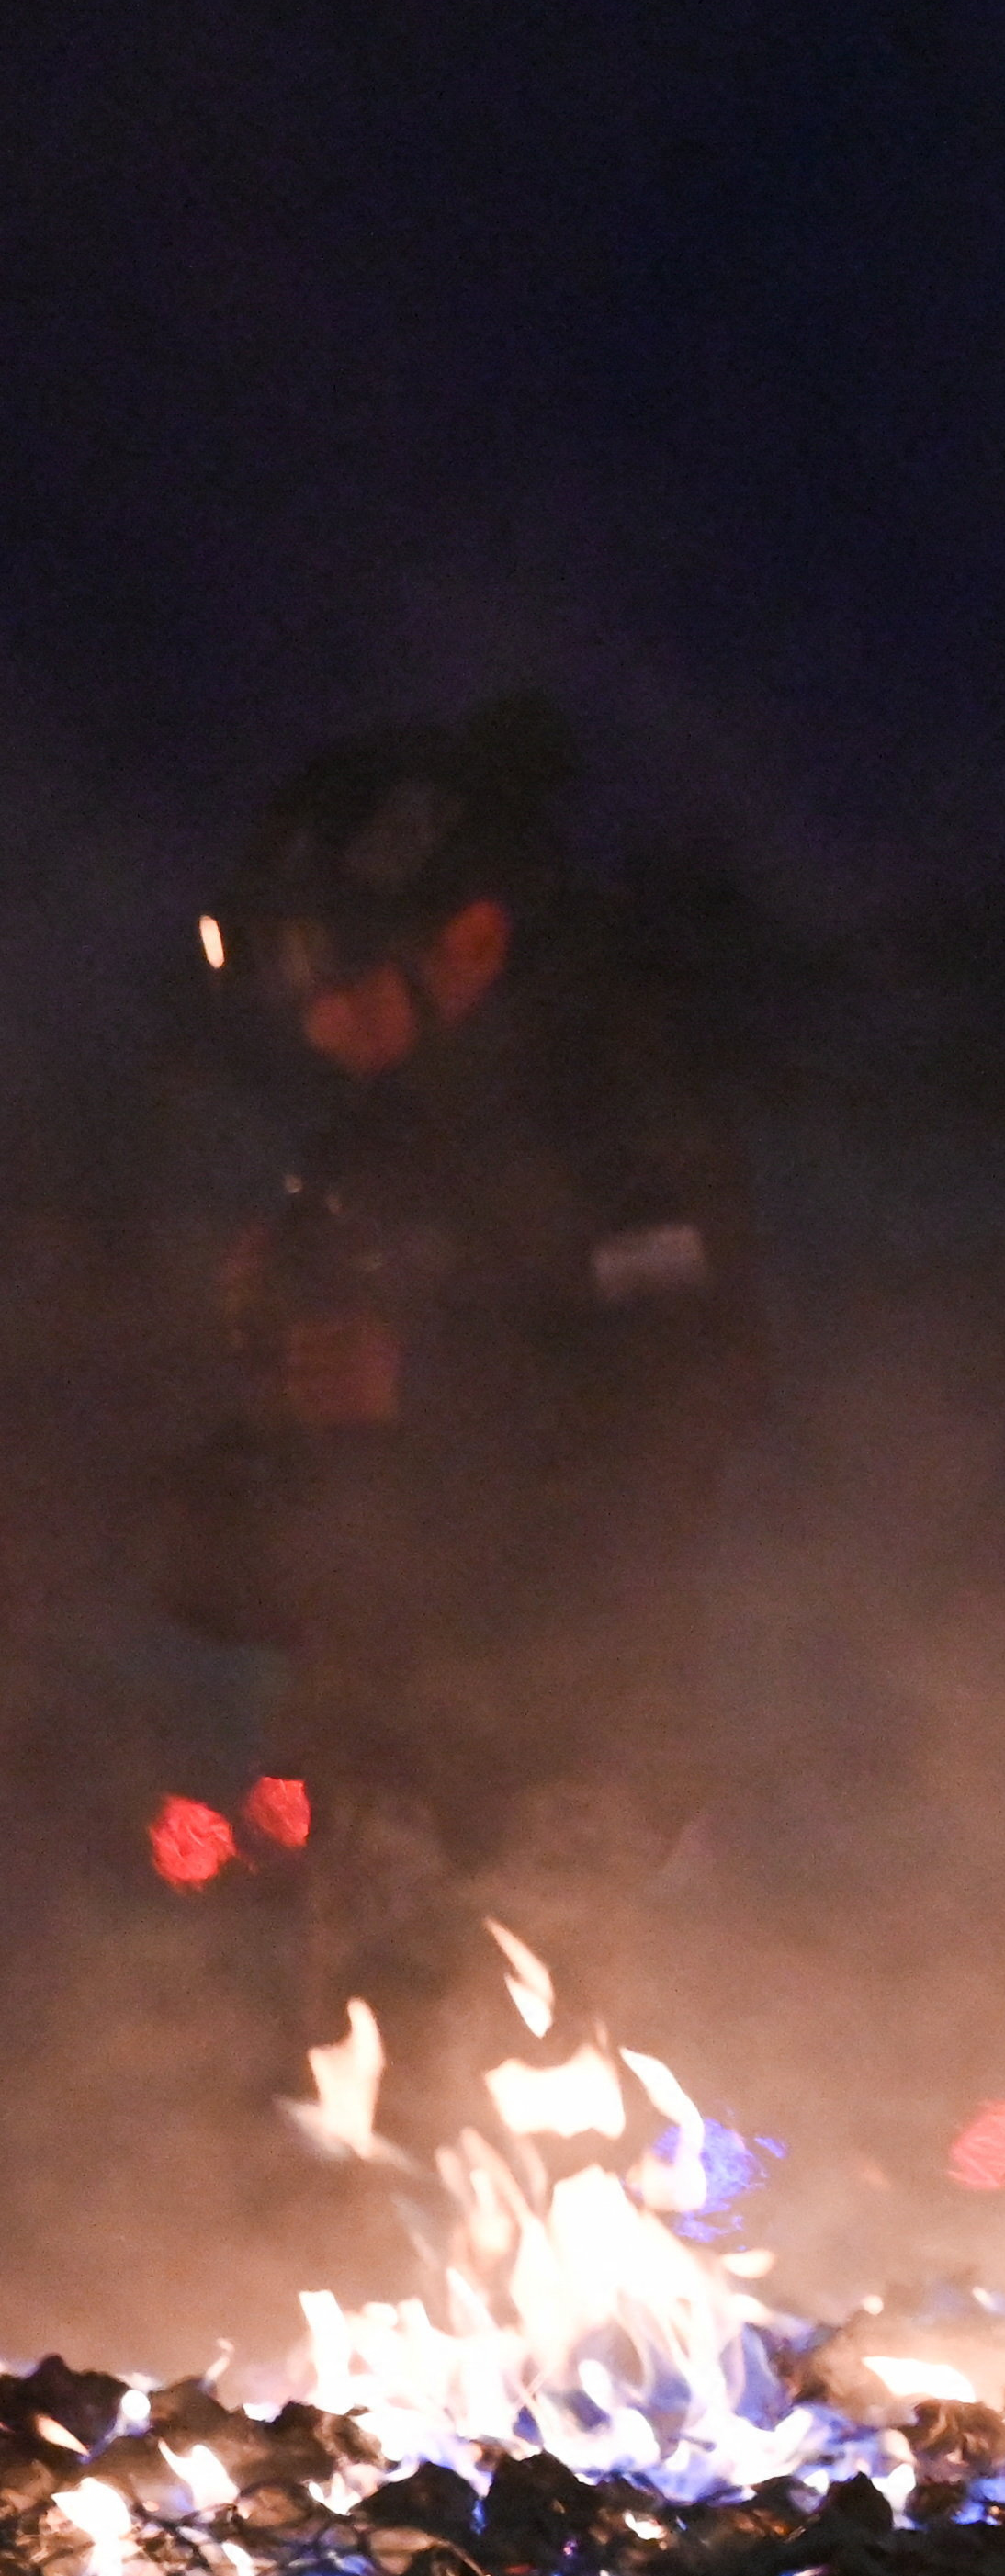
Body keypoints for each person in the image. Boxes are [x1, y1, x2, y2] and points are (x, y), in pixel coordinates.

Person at [166, 695, 762, 2058]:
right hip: (380, 1748)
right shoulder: (360, 1156)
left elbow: (694, 1398)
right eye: (289, 986)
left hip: (574, 1751)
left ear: (472, 942)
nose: (316, 1021)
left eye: (342, 976)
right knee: (384, 2146)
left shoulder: (620, 1125)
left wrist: (428, 1385)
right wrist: (263, 1382)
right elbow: (281, 1484)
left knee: (551, 2131)